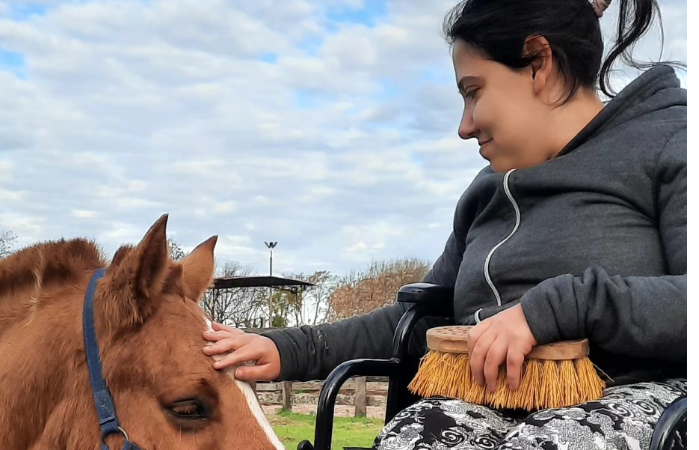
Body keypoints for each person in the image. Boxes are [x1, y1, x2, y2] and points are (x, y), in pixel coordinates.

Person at [203, 0, 687, 448]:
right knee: (412, 436)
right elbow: (424, 316)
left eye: (473, 92)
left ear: (539, 63)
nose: (464, 125)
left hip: (635, 398)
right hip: (484, 402)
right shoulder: (485, 191)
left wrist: (559, 307)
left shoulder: (665, 140)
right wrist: (283, 348)